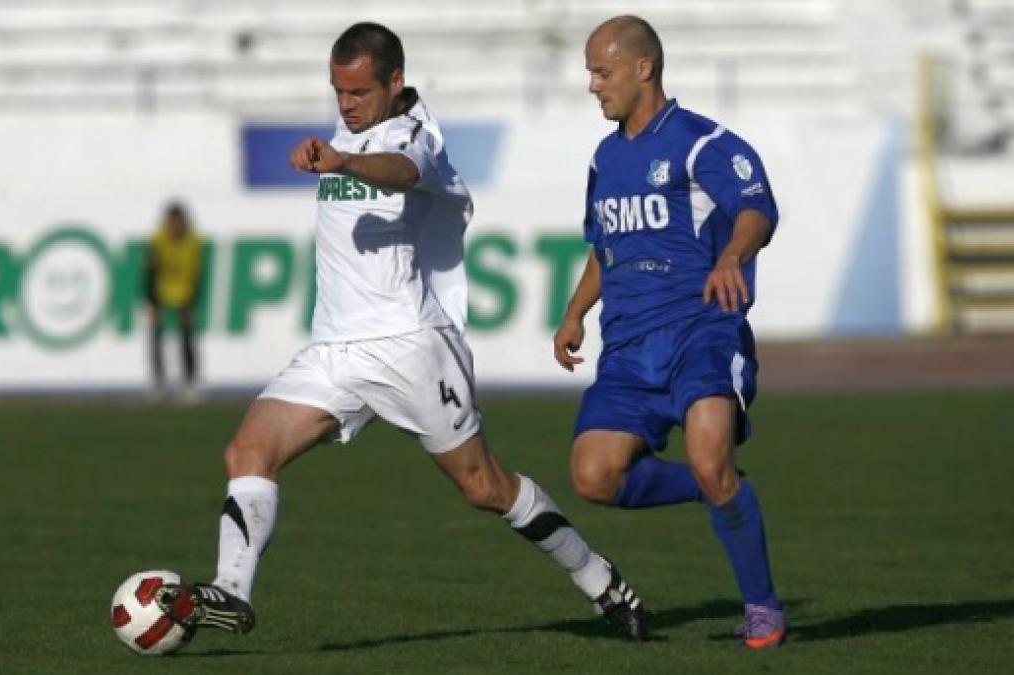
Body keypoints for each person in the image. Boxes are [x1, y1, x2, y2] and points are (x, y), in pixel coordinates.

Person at [157, 22, 648, 641]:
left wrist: (344, 160)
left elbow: (402, 172)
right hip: (334, 349)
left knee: (485, 487)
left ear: (395, 83)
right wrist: (329, 152)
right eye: (337, 91)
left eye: (358, 92)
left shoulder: (416, 136)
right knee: (247, 452)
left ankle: (600, 579)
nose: (345, 104)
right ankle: (230, 591)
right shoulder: (351, 126)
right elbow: (354, 154)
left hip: (410, 347)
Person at [553, 16, 785, 649]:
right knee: (592, 477)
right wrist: (576, 312)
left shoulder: (701, 142)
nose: (593, 86)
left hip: (699, 333)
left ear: (642, 69)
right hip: (628, 350)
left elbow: (756, 211)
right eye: (590, 73)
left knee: (710, 453)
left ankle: (762, 606)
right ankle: (721, 488)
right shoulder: (605, 159)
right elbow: (604, 245)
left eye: (601, 72)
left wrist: (733, 255)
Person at [145, 200, 204, 403]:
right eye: (172, 222)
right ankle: (159, 384)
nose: (175, 226)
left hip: (185, 294)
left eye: (179, 222)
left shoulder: (193, 242)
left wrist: (192, 302)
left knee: (187, 339)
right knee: (156, 339)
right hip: (162, 293)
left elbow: (197, 274)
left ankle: (190, 383)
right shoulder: (158, 241)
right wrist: (152, 304)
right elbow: (150, 273)